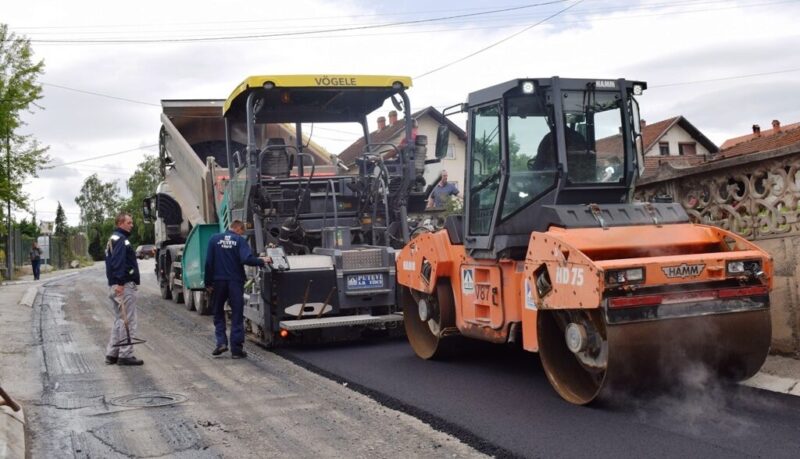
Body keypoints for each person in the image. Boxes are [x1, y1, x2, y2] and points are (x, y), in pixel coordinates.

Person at [205, 220, 267, 359]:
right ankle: (236, 350)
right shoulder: (239, 241)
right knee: (237, 315)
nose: (242, 234)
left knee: (218, 313)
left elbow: (209, 262)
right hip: (235, 282)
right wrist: (263, 260)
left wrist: (208, 283)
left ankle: (221, 342)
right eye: (242, 231)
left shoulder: (214, 239)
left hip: (218, 282)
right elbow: (247, 259)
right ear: (238, 228)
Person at [104, 212, 143, 366]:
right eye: (129, 222)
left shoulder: (113, 239)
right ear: (120, 223)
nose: (131, 225)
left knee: (119, 320)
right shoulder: (121, 240)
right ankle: (125, 354)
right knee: (128, 320)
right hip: (123, 285)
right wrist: (120, 283)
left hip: (115, 285)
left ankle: (112, 353)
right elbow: (118, 262)